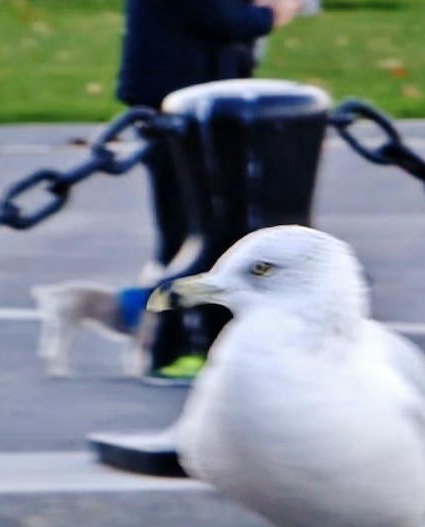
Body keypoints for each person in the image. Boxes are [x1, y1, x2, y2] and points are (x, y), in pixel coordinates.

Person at [114, 0, 303, 384]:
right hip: (183, 102)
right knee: (190, 228)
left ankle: (201, 342)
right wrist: (271, 15)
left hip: (198, 99)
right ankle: (179, 345)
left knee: (203, 226)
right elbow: (216, 18)